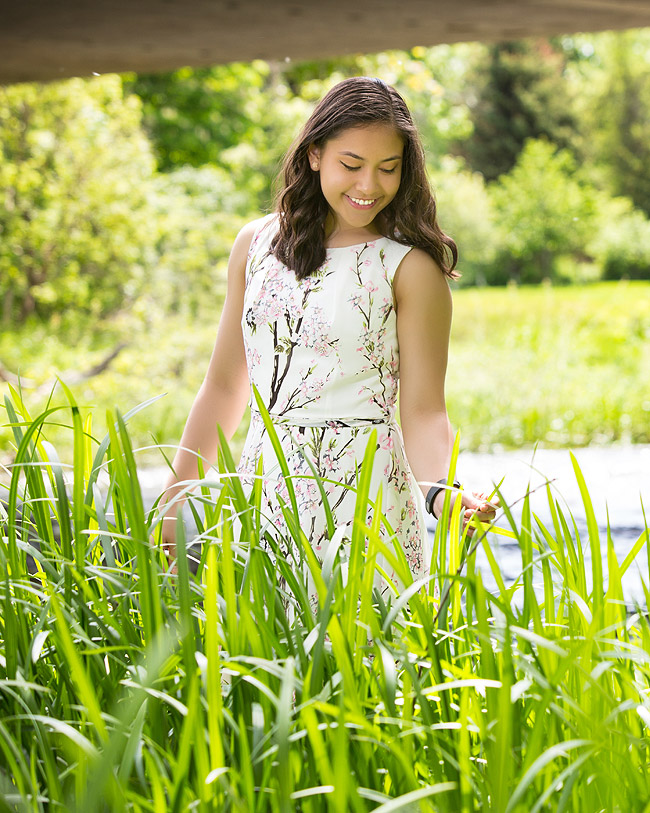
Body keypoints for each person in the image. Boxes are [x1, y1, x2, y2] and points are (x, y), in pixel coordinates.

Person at [158, 76, 498, 610]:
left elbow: (426, 411)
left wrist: (440, 491)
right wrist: (175, 499)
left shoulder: (409, 268)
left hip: (367, 503)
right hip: (265, 494)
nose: (370, 184)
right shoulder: (255, 244)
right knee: (262, 673)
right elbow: (225, 386)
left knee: (365, 670)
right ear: (315, 154)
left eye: (389, 168)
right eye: (351, 163)